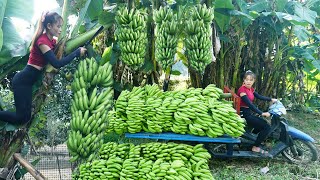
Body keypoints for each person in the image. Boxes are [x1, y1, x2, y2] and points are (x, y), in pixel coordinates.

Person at [0, 12, 87, 125]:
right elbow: (56, 63)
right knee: (20, 117)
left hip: (28, 82)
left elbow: (60, 50)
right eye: (58, 26)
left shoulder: (51, 41)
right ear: (49, 26)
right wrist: (76, 53)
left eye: (61, 26)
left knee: (26, 118)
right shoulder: (42, 42)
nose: (60, 30)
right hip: (22, 81)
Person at [237, 70, 277, 154]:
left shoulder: (250, 89)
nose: (248, 81)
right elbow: (250, 104)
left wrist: (271, 99)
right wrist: (261, 113)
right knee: (266, 127)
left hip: (248, 113)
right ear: (243, 80)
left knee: (262, 123)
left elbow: (259, 96)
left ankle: (253, 141)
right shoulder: (242, 90)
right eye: (247, 79)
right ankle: (255, 147)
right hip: (244, 114)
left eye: (251, 80)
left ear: (254, 81)